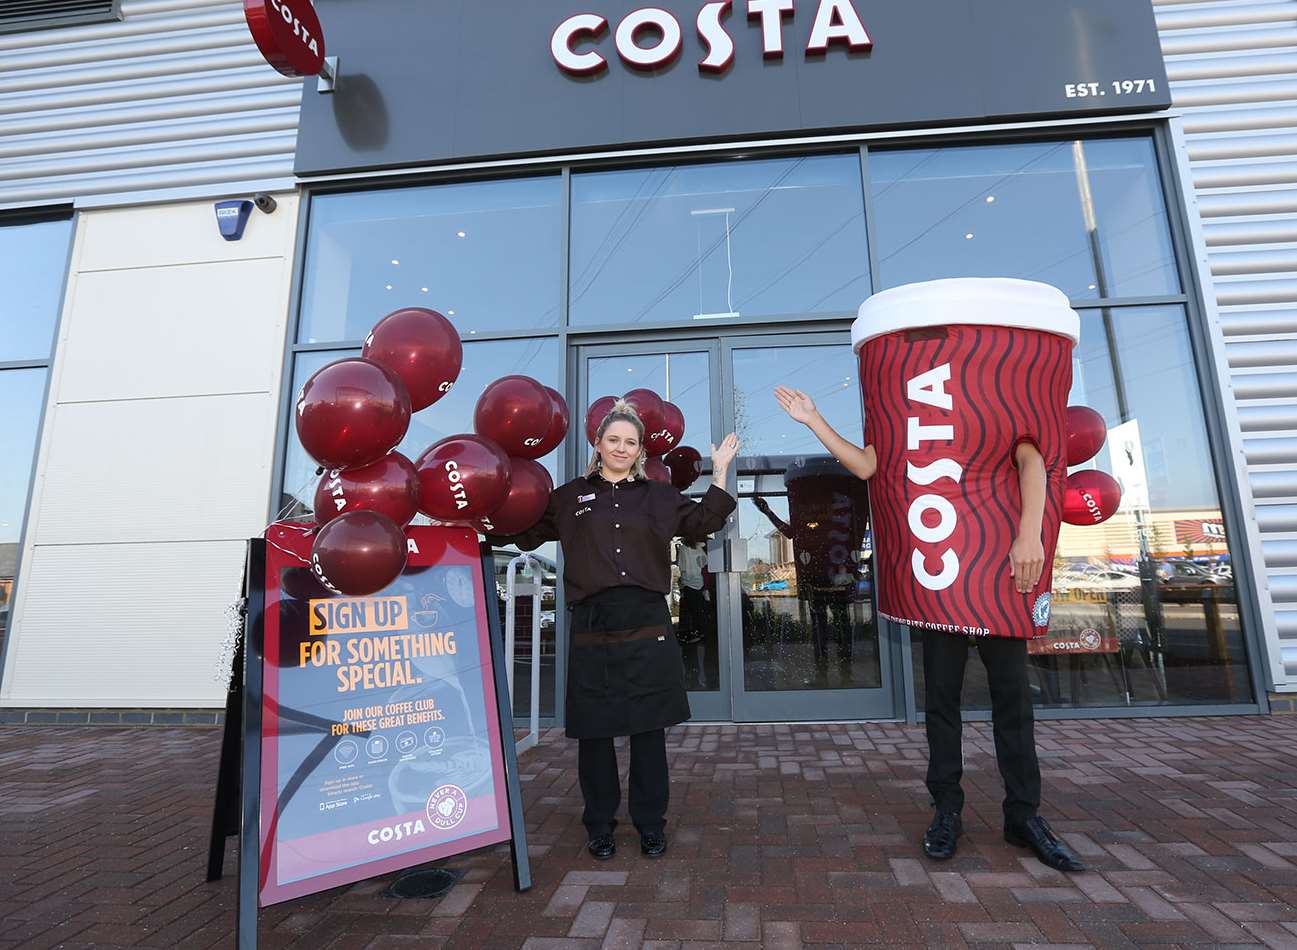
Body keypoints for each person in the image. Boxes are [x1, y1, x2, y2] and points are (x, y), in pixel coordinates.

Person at [773, 384, 1085, 873]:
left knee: (1014, 703)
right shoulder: (914, 421)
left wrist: (1030, 535)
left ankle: (1023, 816)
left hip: (998, 581)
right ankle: (948, 810)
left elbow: (1032, 461)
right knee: (941, 703)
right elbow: (867, 466)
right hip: (943, 586)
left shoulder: (995, 402)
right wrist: (813, 419)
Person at [490, 400, 739, 860]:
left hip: (648, 624)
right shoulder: (567, 498)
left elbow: (705, 520)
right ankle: (599, 825)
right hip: (592, 626)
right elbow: (518, 533)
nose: (621, 448)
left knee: (649, 734)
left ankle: (650, 824)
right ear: (598, 444)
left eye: (630, 442)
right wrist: (474, 518)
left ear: (641, 450)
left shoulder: (661, 497)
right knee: (595, 735)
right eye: (613, 440)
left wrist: (720, 471)